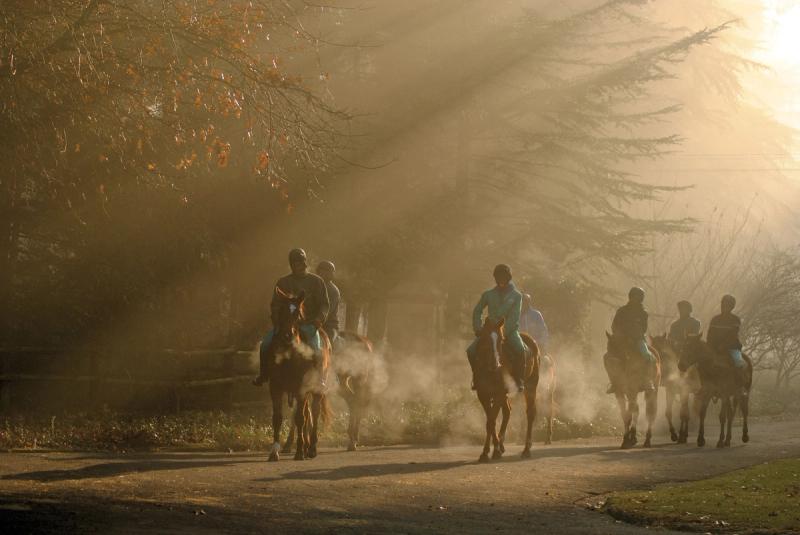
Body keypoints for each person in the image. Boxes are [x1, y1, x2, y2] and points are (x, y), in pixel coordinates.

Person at [253, 248, 330, 387]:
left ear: (304, 262)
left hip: (309, 325)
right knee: (265, 345)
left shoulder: (317, 281)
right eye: (294, 263)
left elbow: (324, 305)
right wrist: (277, 321)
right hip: (285, 325)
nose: (297, 265)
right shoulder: (283, 282)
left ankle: (320, 379)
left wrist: (319, 320)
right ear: (291, 264)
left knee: (317, 349)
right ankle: (263, 375)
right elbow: (275, 304)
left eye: (299, 262)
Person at [467, 264, 528, 392]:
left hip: (509, 331)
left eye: (503, 277)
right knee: (471, 350)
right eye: (498, 277)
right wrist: (478, 328)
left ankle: (519, 380)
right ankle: (476, 378)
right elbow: (477, 310)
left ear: (508, 277)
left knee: (520, 349)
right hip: (489, 331)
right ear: (495, 278)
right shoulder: (488, 294)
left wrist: (502, 332)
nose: (501, 279)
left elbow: (514, 317)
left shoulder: (516, 296)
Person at [608, 286, 655, 393]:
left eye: (639, 297)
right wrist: (620, 336)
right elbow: (614, 326)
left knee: (647, 356)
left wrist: (635, 337)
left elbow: (644, 329)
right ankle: (614, 383)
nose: (637, 299)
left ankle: (647, 380)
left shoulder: (643, 313)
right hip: (622, 340)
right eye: (635, 296)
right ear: (630, 297)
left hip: (638, 340)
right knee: (608, 357)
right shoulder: (621, 311)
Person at [707, 294, 748, 392]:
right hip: (715, 348)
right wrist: (710, 345)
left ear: (731, 307)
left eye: (727, 305)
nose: (724, 307)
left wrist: (723, 346)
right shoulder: (715, 319)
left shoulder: (735, 319)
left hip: (732, 348)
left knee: (739, 363)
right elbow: (710, 334)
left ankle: (741, 387)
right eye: (723, 304)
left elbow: (732, 336)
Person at [316, 260, 342, 351]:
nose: (330, 274)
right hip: (310, 323)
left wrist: (315, 320)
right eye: (327, 270)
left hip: (328, 325)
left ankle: (331, 363)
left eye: (331, 271)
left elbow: (327, 311)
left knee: (329, 343)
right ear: (319, 271)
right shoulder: (312, 286)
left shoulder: (333, 291)